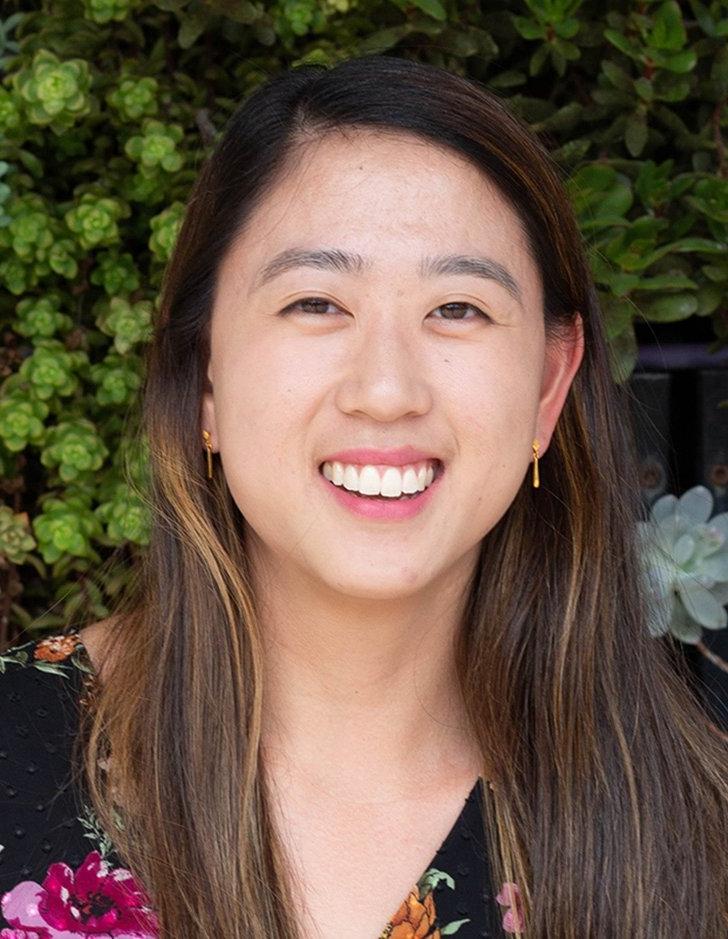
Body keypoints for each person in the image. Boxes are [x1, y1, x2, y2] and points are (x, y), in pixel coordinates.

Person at [0, 54, 726, 939]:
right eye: (316, 302)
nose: (387, 390)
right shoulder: (15, 753)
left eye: (458, 308)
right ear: (204, 377)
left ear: (548, 385)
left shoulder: (692, 832)